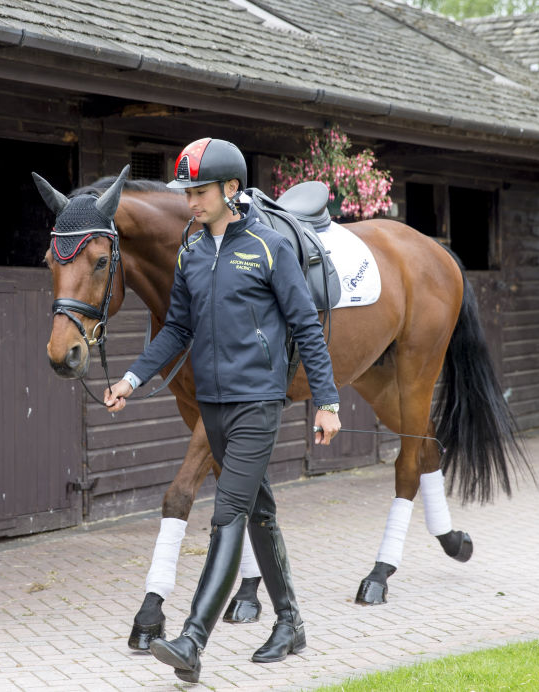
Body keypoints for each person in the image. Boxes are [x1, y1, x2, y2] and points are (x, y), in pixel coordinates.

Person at [103, 137, 342, 683]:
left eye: (201, 190)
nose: (191, 201)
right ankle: (290, 622)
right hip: (211, 404)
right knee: (257, 510)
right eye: (187, 191)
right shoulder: (191, 253)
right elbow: (178, 330)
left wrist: (327, 400)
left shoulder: (268, 246)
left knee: (227, 514)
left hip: (258, 402)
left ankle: (192, 638)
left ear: (231, 188)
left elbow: (306, 325)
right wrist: (133, 377)